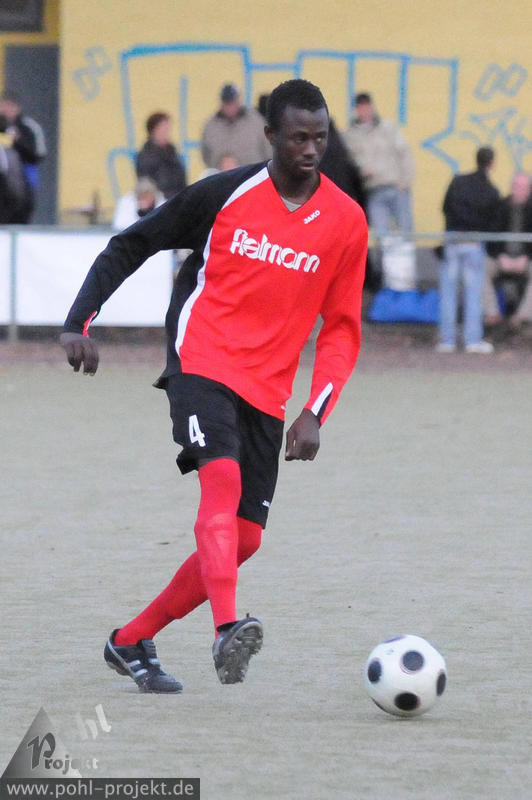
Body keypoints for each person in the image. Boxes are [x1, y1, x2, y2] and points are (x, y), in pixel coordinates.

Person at [59, 79, 368, 693]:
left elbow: (342, 328)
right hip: (200, 358)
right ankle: (227, 627)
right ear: (270, 136)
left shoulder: (346, 221)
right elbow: (135, 242)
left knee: (244, 538)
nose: (311, 149)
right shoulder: (225, 194)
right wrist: (77, 322)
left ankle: (131, 639)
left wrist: (316, 410)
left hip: (267, 389)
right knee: (220, 479)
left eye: (321, 137)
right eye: (298, 137)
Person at [437, 146, 500, 354]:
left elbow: (445, 207)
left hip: (453, 238)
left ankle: (447, 340)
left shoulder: (458, 182)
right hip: (474, 241)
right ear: (492, 163)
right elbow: (492, 222)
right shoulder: (491, 191)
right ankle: (472, 339)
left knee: (448, 292)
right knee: (473, 293)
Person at [342, 92, 414, 237]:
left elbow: (405, 154)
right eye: (361, 107)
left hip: (396, 187)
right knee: (382, 235)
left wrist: (405, 182)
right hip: (372, 190)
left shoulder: (388, 129)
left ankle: (405, 253)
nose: (364, 111)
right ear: (356, 109)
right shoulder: (350, 135)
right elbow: (349, 164)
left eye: (367, 106)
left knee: (405, 232)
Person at [484, 172, 532, 330]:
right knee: (479, 269)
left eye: (524, 187)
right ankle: (492, 313)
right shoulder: (500, 207)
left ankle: (522, 316)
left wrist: (526, 257)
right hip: (502, 258)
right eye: (517, 186)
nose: (520, 191)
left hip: (526, 260)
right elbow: (491, 237)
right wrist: (500, 256)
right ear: (511, 187)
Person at [200, 83, 272, 170]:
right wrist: (220, 163)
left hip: (252, 174)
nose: (230, 107)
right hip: (223, 175)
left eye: (232, 102)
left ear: (238, 101)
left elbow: (268, 149)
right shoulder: (211, 126)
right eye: (227, 103)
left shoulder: (255, 120)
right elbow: (206, 155)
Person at [0, 90, 46, 223]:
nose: (6, 110)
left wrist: (18, 142)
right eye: (4, 106)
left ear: (17, 108)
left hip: (23, 184)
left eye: (10, 106)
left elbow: (38, 154)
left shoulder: (28, 127)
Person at [136, 112, 187, 199]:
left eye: (168, 128)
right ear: (154, 130)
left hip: (178, 198)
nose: (167, 132)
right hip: (161, 201)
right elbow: (146, 184)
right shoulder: (146, 155)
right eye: (164, 128)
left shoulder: (172, 151)